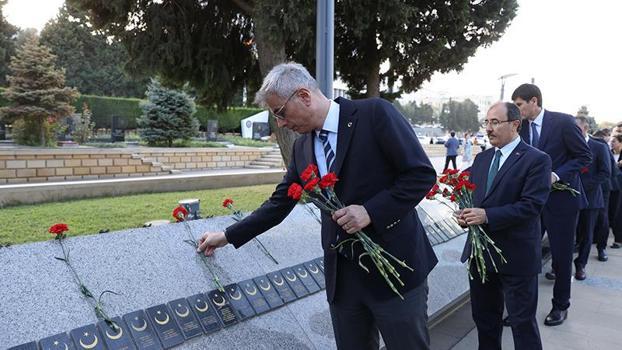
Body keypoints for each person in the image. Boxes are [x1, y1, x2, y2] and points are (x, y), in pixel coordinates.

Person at [196, 62, 438, 349]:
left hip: (395, 272)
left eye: (281, 113)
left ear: (304, 96)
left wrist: (370, 211)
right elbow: (279, 203)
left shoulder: (375, 114)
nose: (282, 123)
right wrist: (226, 236)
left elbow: (420, 175)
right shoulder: (302, 148)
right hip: (344, 284)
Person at [457, 102, 551, 350]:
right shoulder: (482, 159)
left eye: (495, 122)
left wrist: (486, 215)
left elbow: (531, 206)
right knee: (485, 321)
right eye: (486, 122)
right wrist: (466, 215)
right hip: (481, 255)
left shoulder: (537, 160)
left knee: (522, 324)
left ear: (515, 124)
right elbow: (478, 199)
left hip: (516, 257)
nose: (488, 128)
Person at [512, 84, 592, 326]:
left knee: (560, 257)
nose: (517, 111)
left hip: (562, 203)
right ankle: (520, 309)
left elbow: (584, 156)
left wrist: (556, 175)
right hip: (530, 204)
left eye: (519, 105)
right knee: (525, 256)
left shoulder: (563, 123)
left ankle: (560, 306)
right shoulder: (520, 128)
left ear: (533, 101)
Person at [573, 117, 610, 280]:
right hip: (570, 198)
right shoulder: (569, 146)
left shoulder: (599, 147)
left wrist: (584, 186)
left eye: (577, 130)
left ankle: (581, 265)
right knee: (566, 233)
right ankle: (557, 266)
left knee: (587, 235)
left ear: (585, 129)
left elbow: (605, 173)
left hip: (591, 199)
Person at [591, 129, 619, 261]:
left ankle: (601, 248)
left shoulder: (600, 145)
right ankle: (582, 242)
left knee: (602, 218)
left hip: (602, 187)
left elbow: (611, 170)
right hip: (582, 187)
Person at [609, 134, 622, 248]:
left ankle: (618, 239)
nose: (611, 143)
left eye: (614, 141)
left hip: (620, 188)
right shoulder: (610, 153)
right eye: (611, 141)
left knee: (617, 213)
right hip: (611, 187)